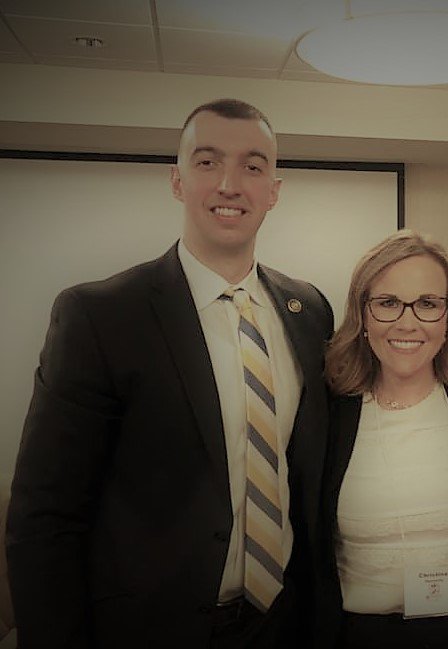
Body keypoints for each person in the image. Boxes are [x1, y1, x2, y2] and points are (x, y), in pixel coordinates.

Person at [6, 99, 334, 649]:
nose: (230, 184)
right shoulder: (101, 315)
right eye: (208, 162)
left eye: (252, 166)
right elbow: (46, 516)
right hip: (149, 629)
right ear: (177, 180)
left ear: (273, 190)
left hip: (282, 625)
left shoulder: (309, 311)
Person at [320, 230, 448, 649]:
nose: (407, 322)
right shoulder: (328, 408)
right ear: (363, 314)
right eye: (388, 303)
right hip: (358, 637)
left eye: (428, 304)